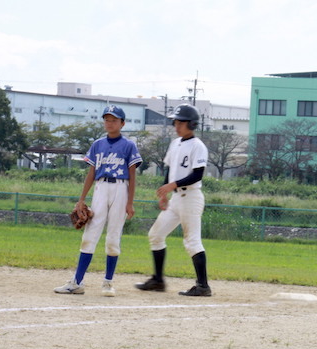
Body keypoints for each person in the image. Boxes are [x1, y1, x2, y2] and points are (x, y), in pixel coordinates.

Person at [54, 105, 142, 296]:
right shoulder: (98, 144)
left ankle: (108, 282)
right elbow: (91, 173)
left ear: (122, 123)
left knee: (113, 236)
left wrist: (130, 202)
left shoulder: (129, 145)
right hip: (101, 188)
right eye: (107, 119)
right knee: (89, 235)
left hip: (121, 188)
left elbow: (133, 176)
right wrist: (81, 199)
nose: (109, 123)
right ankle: (77, 282)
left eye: (114, 120)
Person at [135, 104, 212, 297]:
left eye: (181, 122)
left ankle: (203, 286)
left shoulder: (198, 146)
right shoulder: (175, 143)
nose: (176, 125)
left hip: (191, 198)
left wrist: (172, 185)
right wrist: (164, 193)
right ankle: (158, 281)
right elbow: (169, 169)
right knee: (155, 235)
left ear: (192, 124)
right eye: (176, 121)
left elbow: (197, 175)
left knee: (192, 241)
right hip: (176, 199)